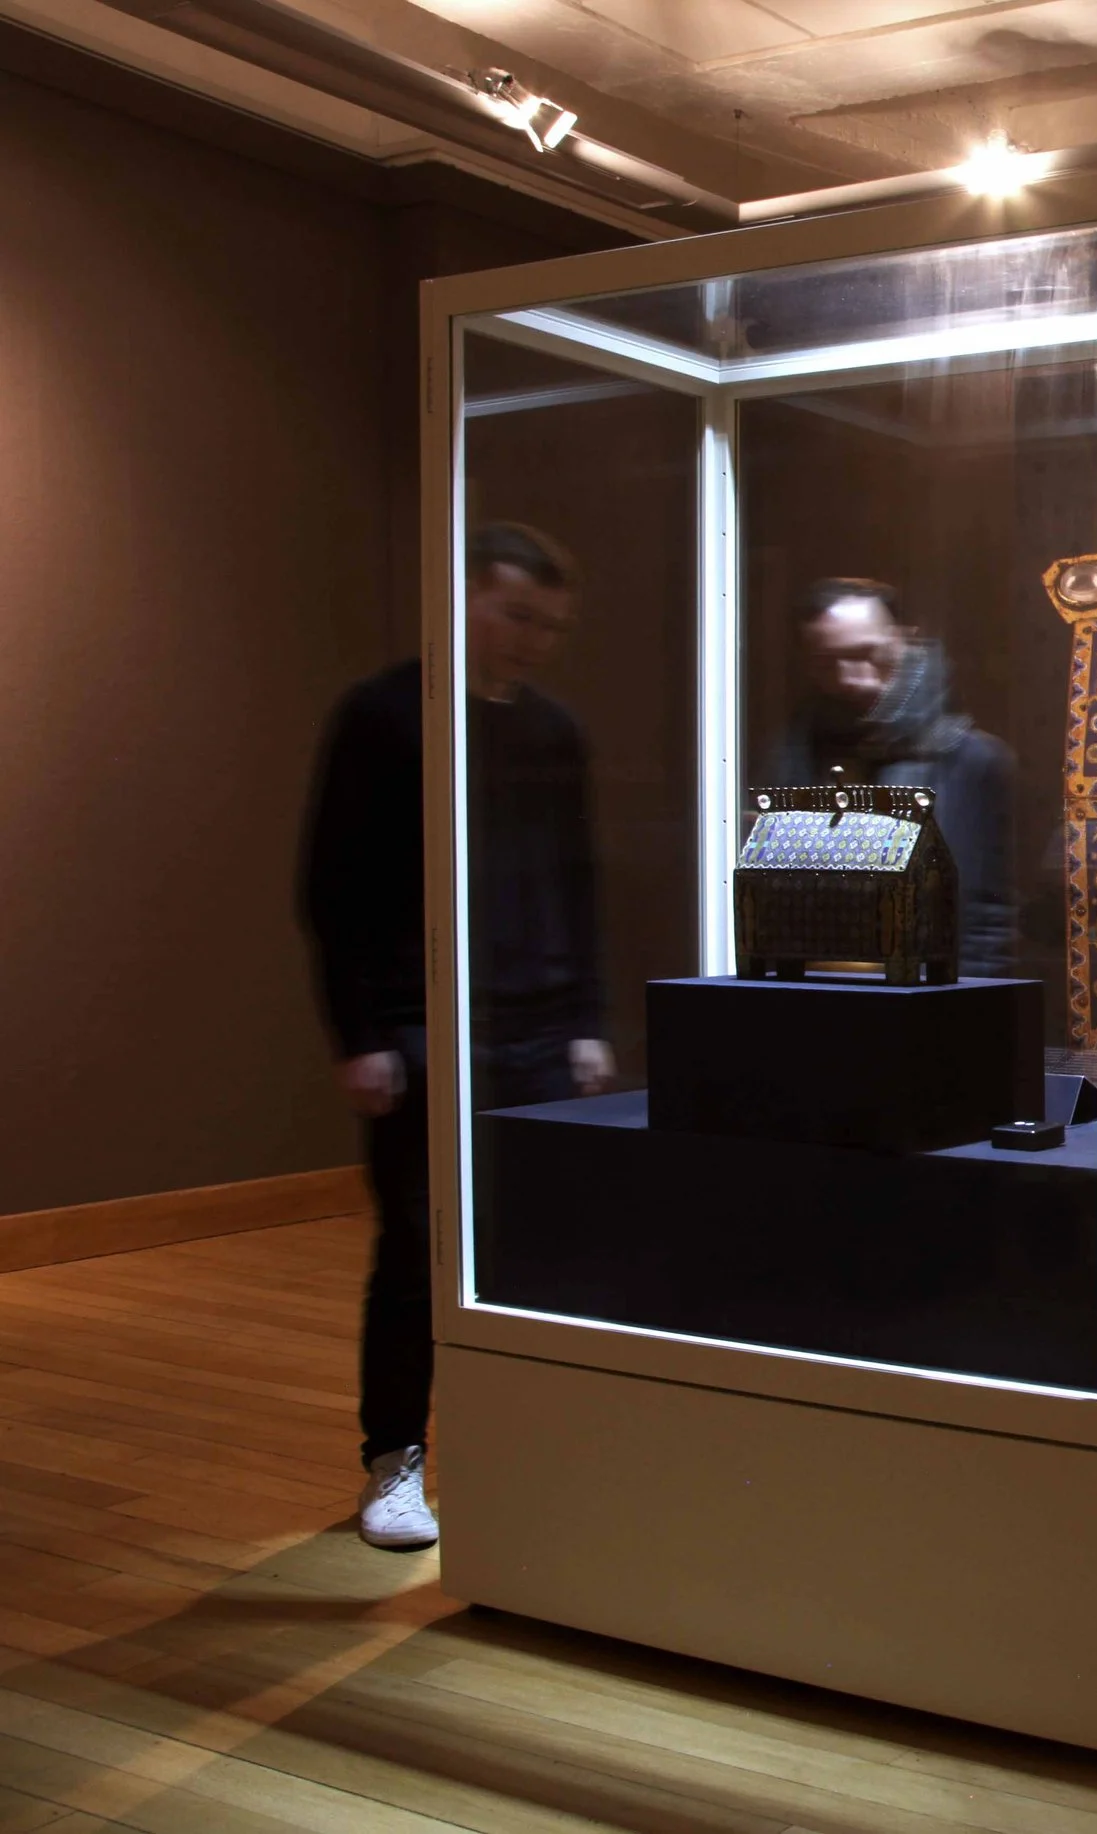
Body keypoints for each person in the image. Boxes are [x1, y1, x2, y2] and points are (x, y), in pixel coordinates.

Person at [300, 521, 612, 1552]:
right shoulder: (386, 715)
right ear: (465, 599)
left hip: (535, 1032)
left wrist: (583, 1021)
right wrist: (364, 1030)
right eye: (517, 614)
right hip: (423, 1027)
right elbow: (331, 884)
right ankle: (396, 1461)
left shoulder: (554, 731)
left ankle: (525, 1450)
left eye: (550, 625)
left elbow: (577, 883)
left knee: (541, 1247)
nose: (532, 638)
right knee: (419, 1254)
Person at [776, 579, 1015, 977]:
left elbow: (982, 926)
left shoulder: (969, 760)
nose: (850, 677)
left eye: (867, 654)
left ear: (904, 642)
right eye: (826, 662)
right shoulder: (798, 753)